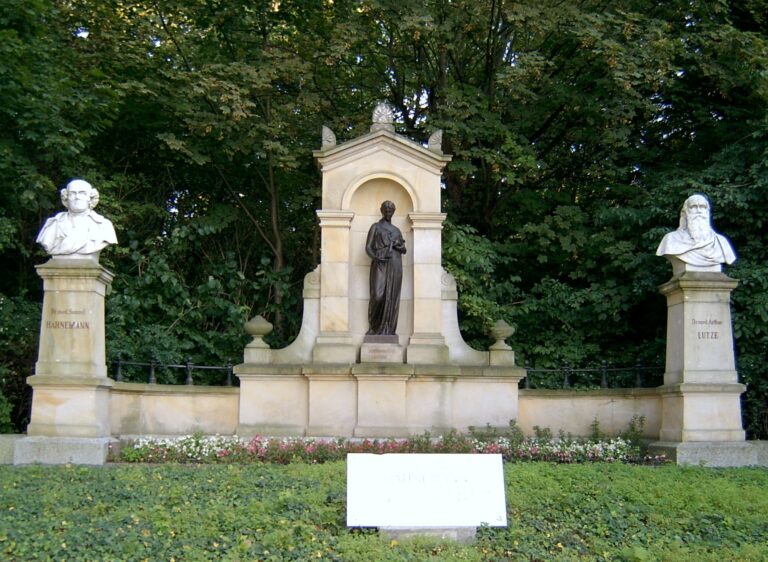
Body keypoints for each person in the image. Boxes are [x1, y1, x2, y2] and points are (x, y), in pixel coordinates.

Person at [36, 179, 117, 258]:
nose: (77, 197)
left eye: (82, 193)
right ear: (66, 197)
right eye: (72, 193)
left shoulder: (104, 226)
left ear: (90, 198)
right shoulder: (54, 224)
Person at [656, 193, 736, 268]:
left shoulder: (721, 242)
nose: (698, 210)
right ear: (685, 212)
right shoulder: (671, 239)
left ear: (707, 211)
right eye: (693, 207)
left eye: (702, 207)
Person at [366, 201, 406, 336]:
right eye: (386, 209)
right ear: (381, 210)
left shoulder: (396, 230)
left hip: (395, 264)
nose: (389, 211)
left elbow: (404, 249)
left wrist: (396, 245)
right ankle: (374, 327)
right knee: (378, 295)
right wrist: (376, 257)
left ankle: (388, 329)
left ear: (394, 211)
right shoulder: (375, 227)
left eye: (391, 209)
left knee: (391, 297)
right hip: (380, 263)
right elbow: (368, 248)